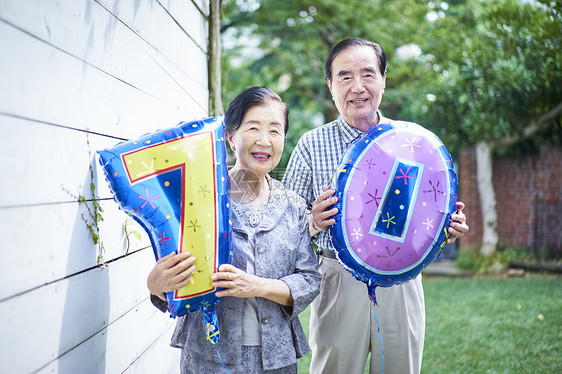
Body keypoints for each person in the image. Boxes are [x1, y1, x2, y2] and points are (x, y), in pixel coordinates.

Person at [282, 37, 470, 374]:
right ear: (330, 85)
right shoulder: (312, 145)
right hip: (337, 279)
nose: (358, 87)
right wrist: (311, 222)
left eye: (368, 74)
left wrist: (446, 228)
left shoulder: (415, 143)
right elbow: (283, 229)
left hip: (401, 280)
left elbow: (429, 213)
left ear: (384, 80)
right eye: (345, 76)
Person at [147, 87, 321, 373]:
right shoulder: (199, 198)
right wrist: (156, 286)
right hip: (209, 356)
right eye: (253, 128)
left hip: (276, 361)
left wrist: (256, 286)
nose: (265, 141)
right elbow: (175, 279)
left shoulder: (292, 205)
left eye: (275, 131)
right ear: (230, 137)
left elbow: (309, 279)